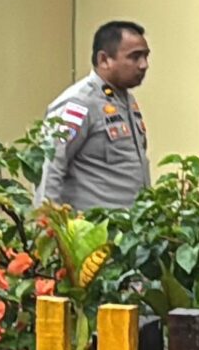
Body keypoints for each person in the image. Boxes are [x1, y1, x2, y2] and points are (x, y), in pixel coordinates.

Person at [36, 20, 153, 210]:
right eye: (135, 57)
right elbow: (50, 165)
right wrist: (47, 221)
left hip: (131, 224)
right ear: (104, 59)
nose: (144, 65)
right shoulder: (79, 103)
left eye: (146, 56)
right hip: (93, 225)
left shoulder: (126, 101)